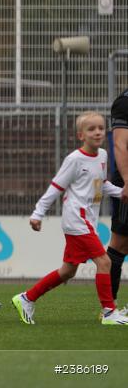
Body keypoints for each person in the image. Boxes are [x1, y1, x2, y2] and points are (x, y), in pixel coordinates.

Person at [12, 112, 128, 325]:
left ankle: (26, 298)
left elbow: (100, 185)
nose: (97, 132)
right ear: (80, 135)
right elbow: (57, 186)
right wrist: (38, 213)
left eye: (101, 128)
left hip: (87, 221)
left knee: (68, 271)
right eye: (91, 129)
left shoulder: (102, 156)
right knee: (105, 262)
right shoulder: (74, 159)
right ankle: (109, 312)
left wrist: (121, 192)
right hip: (76, 220)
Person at [108, 88, 128, 309]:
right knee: (120, 244)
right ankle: (109, 306)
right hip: (126, 181)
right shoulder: (124, 102)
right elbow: (120, 145)